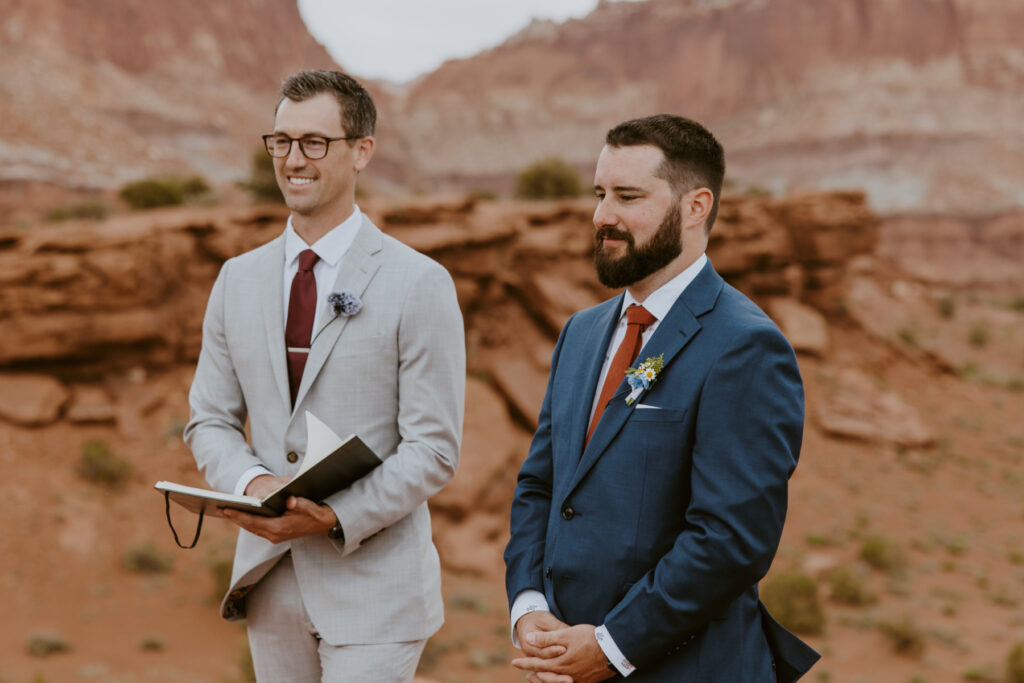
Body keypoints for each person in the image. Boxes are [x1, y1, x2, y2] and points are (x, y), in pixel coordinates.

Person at [503, 114, 819, 682]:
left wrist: (611, 646)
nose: (603, 216)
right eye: (599, 194)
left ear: (695, 206)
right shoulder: (580, 332)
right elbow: (542, 486)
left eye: (628, 196)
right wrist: (529, 606)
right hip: (560, 665)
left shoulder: (746, 347)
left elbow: (730, 541)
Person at [184, 70, 465, 682]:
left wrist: (334, 517)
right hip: (270, 580)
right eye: (281, 141)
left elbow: (434, 449)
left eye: (314, 142)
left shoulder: (419, 282)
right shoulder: (237, 279)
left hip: (376, 589)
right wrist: (254, 481)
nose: (293, 160)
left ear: (361, 150)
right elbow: (209, 418)